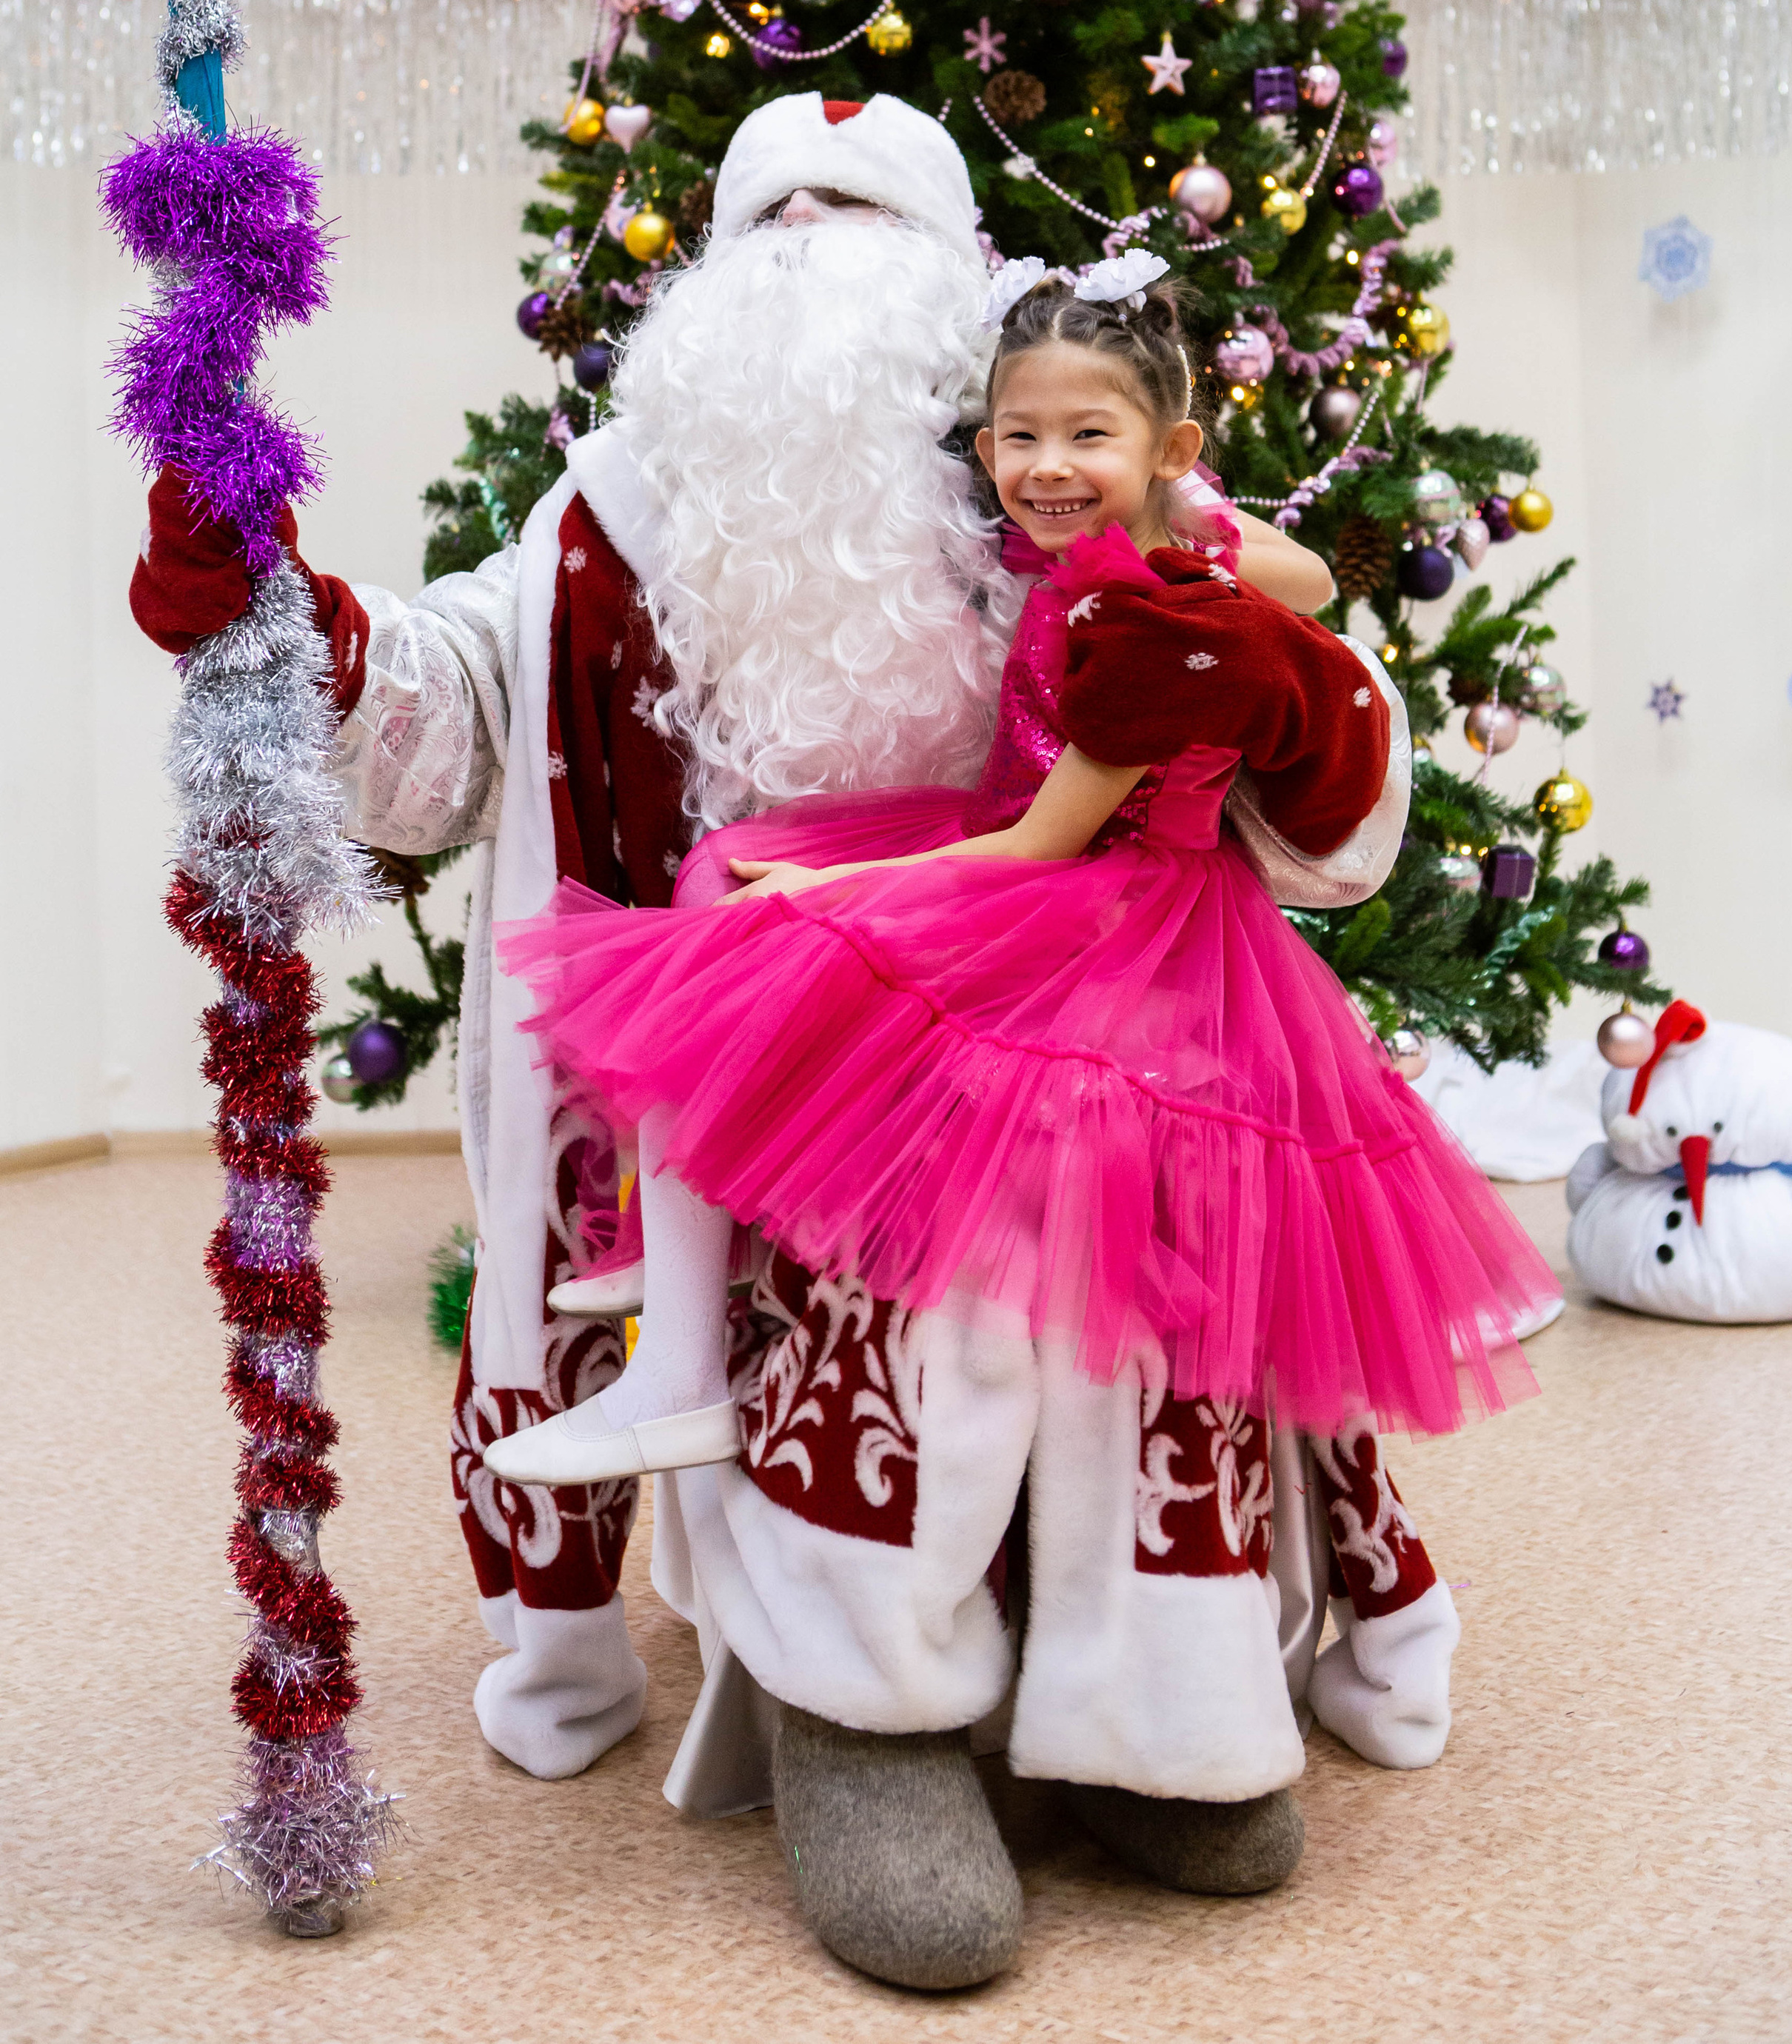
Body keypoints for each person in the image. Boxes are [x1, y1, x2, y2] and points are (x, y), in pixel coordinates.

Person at [124, 94, 1500, 1994]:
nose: (811, 260)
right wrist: (284, 621)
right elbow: (439, 734)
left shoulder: (1062, 482)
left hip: (1111, 1004)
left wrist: (1293, 702)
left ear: (958, 295)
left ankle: (1160, 1735)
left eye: (860, 222)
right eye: (771, 226)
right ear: (702, 284)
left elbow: (1322, 779)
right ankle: (872, 1723)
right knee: (884, 1317)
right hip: (799, 1040)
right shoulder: (609, 512)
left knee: (1144, 1299)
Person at [489, 257, 1556, 1497]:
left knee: (753, 929)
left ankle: (677, 1371)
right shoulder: (1124, 545)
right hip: (1033, 830)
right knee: (723, 862)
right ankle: (679, 1253)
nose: (1045, 468)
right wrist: (1162, 498)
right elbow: (1309, 577)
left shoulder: (1160, 632)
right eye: (1020, 436)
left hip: (1102, 896)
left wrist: (823, 894)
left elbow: (1042, 847)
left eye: (1087, 436)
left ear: (1173, 446)